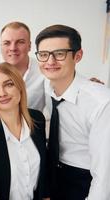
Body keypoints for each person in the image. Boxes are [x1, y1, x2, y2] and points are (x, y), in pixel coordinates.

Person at [35, 24, 110, 200]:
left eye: (60, 54)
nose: (50, 62)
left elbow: (104, 175)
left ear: (78, 56)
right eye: (44, 55)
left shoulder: (101, 103)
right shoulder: (47, 87)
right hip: (54, 176)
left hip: (85, 181)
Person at [0, 62, 48, 200]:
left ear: (20, 87)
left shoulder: (37, 119)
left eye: (9, 85)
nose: (2, 93)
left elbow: (46, 169)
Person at [0, 21, 45, 112]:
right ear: (1, 46)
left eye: (20, 42)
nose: (13, 48)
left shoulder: (45, 71)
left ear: (29, 46)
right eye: (7, 43)